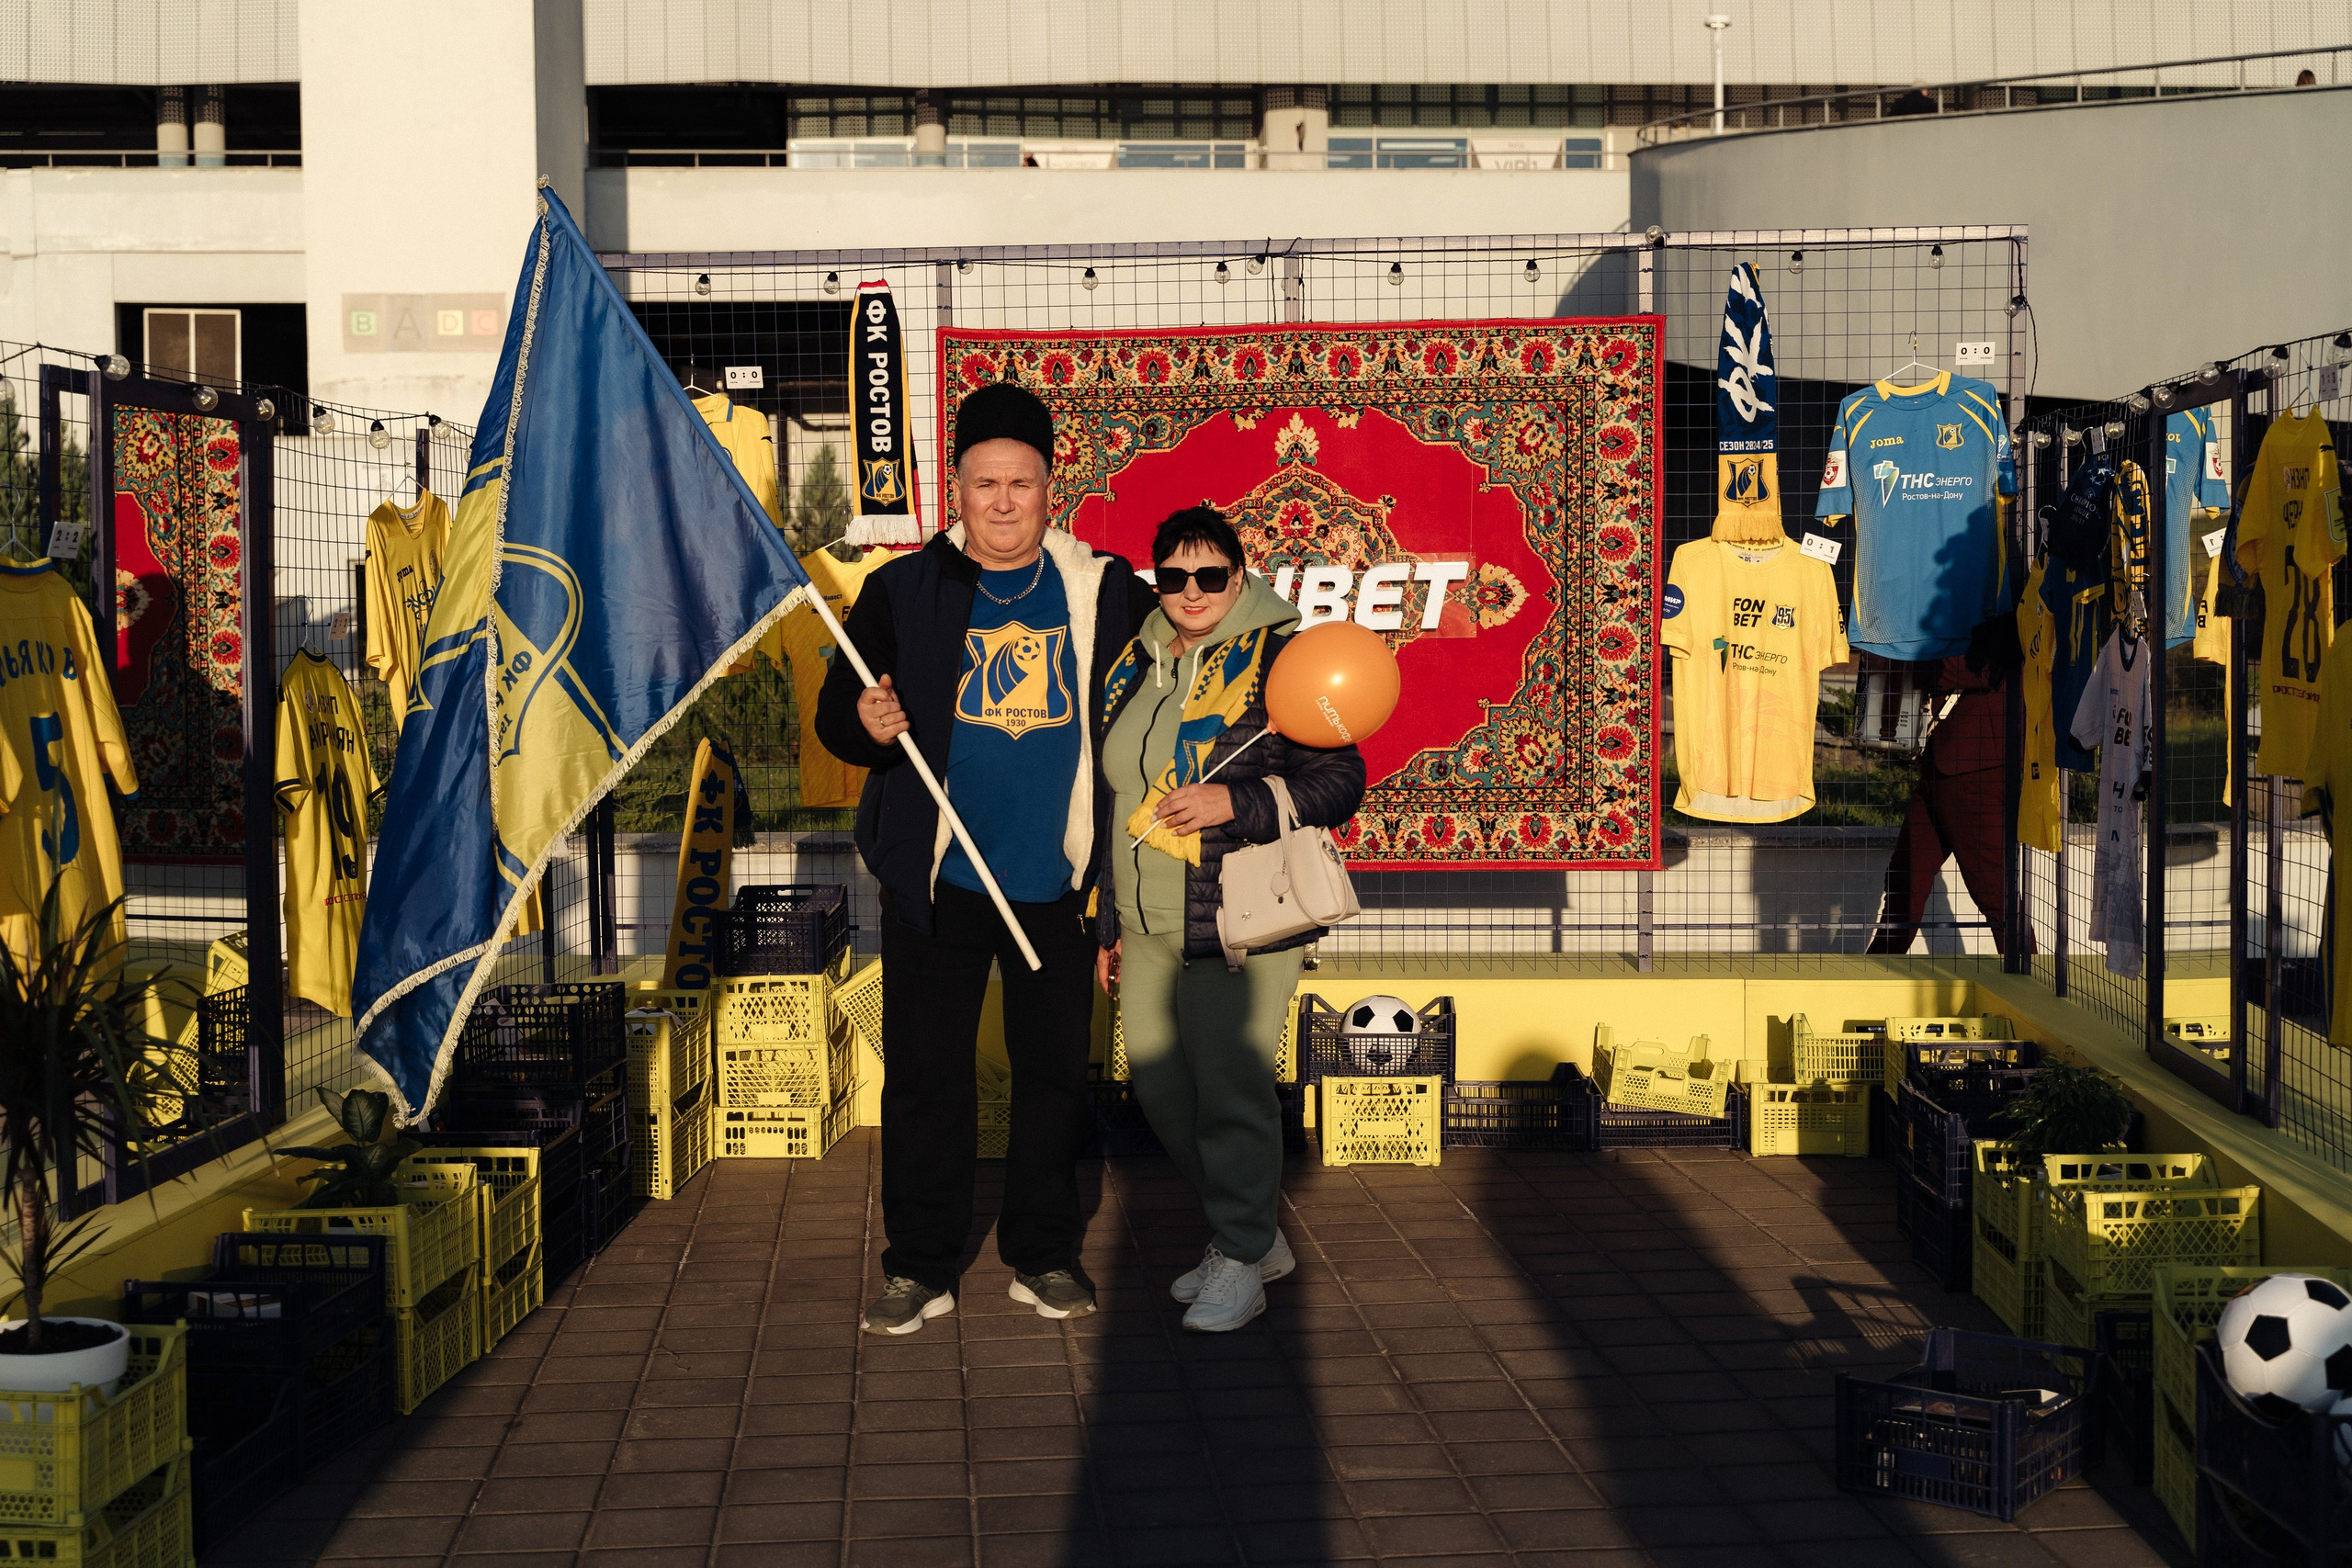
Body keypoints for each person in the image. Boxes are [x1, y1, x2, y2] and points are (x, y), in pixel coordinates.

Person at [815, 381, 1155, 1336]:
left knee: (1052, 1075)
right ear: (953, 489)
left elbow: (1193, 644)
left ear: (1054, 488)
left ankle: (1040, 1254)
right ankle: (919, 1265)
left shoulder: (1105, 589)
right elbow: (838, 714)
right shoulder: (901, 592)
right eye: (984, 482)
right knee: (927, 1077)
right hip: (939, 882)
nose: (1003, 501)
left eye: (1023, 482)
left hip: (1055, 880)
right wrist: (868, 723)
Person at [1094, 507, 1366, 1332]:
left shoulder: (1279, 655)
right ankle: (1254, 1231)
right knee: (1160, 1082)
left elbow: (1341, 778)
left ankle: (1243, 1251)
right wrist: (1107, 919)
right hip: (1144, 915)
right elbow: (1117, 794)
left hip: (1237, 915)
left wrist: (1232, 800)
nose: (1191, 592)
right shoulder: (1135, 663)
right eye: (1173, 576)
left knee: (1230, 1087)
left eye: (1210, 575)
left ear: (1240, 576)